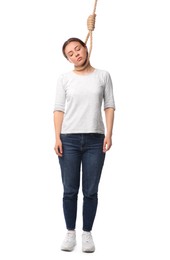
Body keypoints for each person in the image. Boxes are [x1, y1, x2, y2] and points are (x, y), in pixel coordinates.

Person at [53, 37, 115, 253]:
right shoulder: (64, 79)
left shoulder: (103, 76)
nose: (76, 54)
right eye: (70, 53)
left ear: (86, 48)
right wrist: (57, 137)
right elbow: (58, 108)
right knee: (69, 190)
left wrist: (109, 133)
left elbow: (109, 105)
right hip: (68, 139)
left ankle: (87, 233)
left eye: (77, 49)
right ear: (68, 59)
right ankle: (70, 233)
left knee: (90, 191)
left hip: (95, 140)